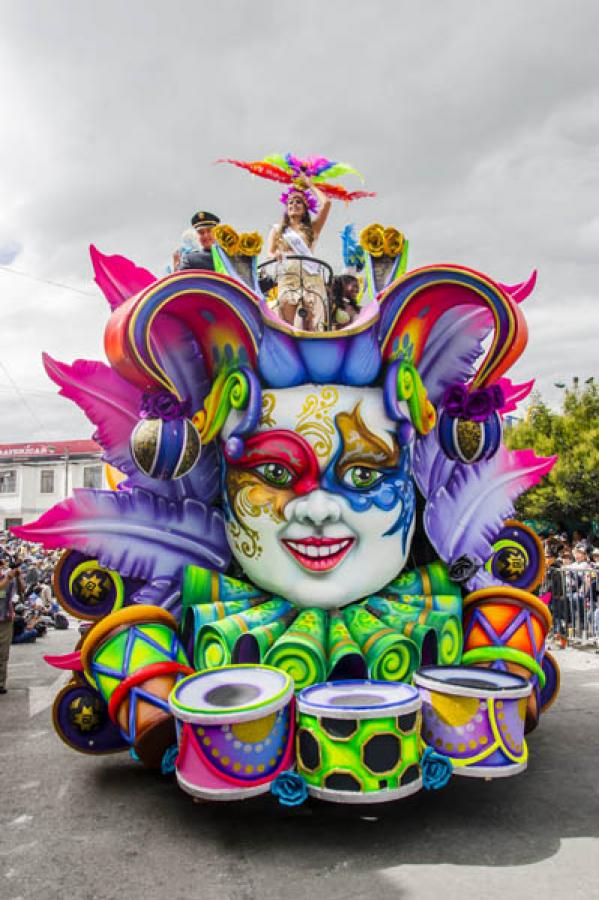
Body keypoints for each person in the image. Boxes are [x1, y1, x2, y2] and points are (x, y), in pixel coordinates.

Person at [267, 176, 331, 330]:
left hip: (311, 279)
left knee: (313, 322)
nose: (294, 204)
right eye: (290, 202)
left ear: (305, 207)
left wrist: (309, 184)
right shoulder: (278, 230)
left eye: (298, 202)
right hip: (288, 278)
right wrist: (274, 255)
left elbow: (327, 203)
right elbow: (270, 252)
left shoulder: (313, 228)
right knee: (288, 324)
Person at [0, 556, 25, 693]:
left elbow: (22, 590)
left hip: (5, 620)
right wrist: (8, 578)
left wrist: (18, 576)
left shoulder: (7, 579)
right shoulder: (6, 579)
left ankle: (1, 683)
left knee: (3, 654)